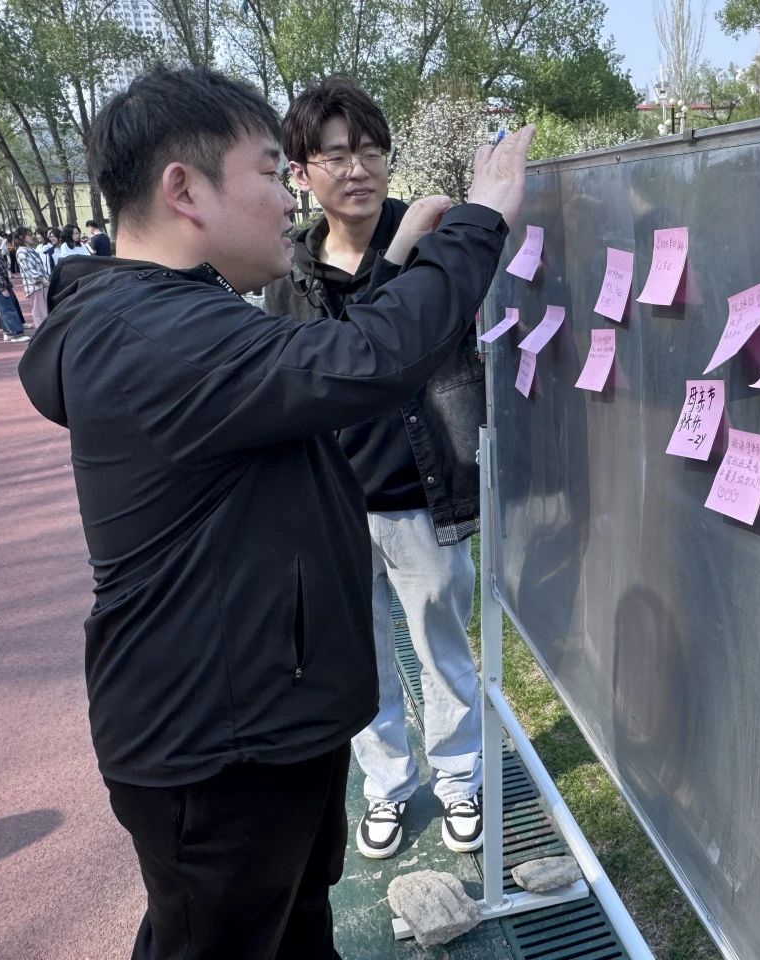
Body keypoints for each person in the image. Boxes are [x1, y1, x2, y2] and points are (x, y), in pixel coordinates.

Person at [17, 64, 531, 960]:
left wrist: (396, 259)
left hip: (255, 719)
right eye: (268, 170)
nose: (288, 198)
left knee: (289, 932)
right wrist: (482, 218)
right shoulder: (156, 334)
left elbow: (321, 352)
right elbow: (366, 360)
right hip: (218, 745)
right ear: (185, 190)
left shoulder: (171, 312)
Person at [265, 75, 486, 862]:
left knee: (441, 648)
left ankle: (460, 779)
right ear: (302, 172)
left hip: (423, 493)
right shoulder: (286, 273)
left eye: (370, 151)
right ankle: (387, 785)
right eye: (336, 155)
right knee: (358, 658)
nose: (357, 169)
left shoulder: (435, 243)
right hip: (330, 505)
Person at [0, 231, 30, 342]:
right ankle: (15, 334)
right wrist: (2, 288)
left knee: (3, 308)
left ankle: (8, 332)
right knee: (7, 309)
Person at [14, 227, 50, 326]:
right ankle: (42, 332)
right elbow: (29, 269)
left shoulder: (30, 249)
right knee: (40, 312)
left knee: (45, 312)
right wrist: (43, 279)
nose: (31, 237)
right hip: (35, 286)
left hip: (42, 285)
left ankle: (47, 330)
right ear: (21, 237)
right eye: (28, 235)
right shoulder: (21, 251)